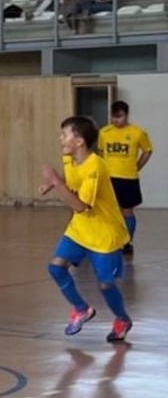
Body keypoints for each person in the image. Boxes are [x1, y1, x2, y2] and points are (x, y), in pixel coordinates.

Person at [39, 116, 133, 343]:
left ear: (79, 141)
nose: (61, 138)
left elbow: (81, 206)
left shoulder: (96, 166)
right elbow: (73, 176)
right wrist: (54, 183)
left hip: (104, 233)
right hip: (80, 229)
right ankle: (81, 309)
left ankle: (122, 319)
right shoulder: (69, 158)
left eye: (65, 135)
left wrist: (56, 182)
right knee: (56, 268)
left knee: (105, 285)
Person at [97, 101, 152, 259]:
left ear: (126, 115)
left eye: (119, 116)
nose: (116, 120)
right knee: (107, 210)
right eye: (113, 117)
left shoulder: (138, 132)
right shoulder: (104, 132)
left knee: (126, 211)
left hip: (128, 178)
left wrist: (137, 166)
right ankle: (108, 240)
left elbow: (147, 150)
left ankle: (127, 242)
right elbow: (100, 153)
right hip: (109, 178)